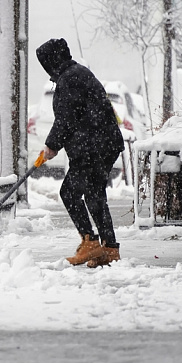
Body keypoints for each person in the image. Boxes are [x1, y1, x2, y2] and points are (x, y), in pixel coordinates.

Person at [36, 38, 124, 267]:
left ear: (52, 61)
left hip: (94, 146)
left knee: (69, 193)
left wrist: (52, 145)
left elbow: (66, 118)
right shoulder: (75, 74)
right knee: (95, 195)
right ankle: (110, 249)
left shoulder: (71, 78)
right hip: (101, 144)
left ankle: (90, 242)